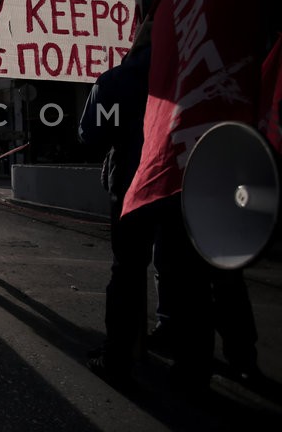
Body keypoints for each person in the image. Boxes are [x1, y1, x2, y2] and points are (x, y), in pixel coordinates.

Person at [79, 28, 214, 391]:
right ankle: (194, 370)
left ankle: (117, 358)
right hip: (185, 185)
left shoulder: (116, 81)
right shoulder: (199, 71)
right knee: (189, 276)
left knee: (127, 271)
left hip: (133, 189)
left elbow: (90, 134)